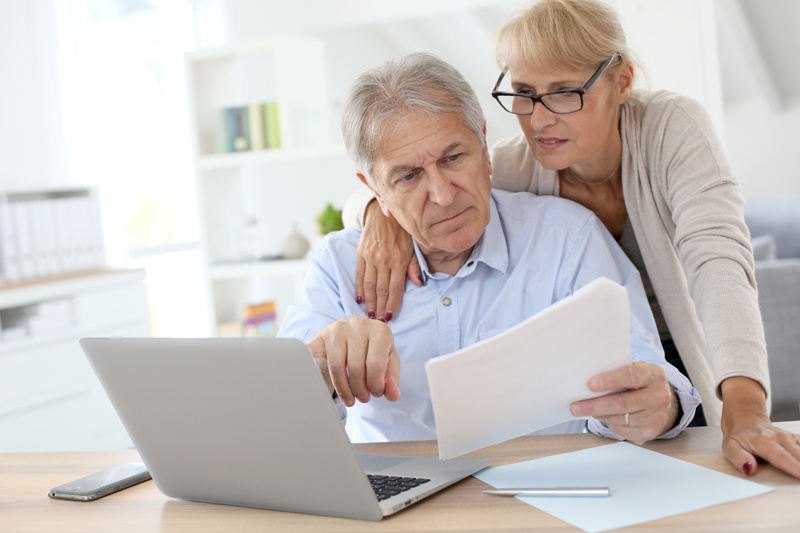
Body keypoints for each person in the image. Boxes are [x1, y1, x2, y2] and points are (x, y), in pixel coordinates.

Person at [343, 0, 800, 478]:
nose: (539, 121)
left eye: (563, 92)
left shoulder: (671, 128)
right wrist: (381, 215)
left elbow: (719, 264)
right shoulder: (518, 163)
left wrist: (746, 410)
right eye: (523, 92)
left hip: (680, 360)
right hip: (601, 368)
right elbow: (393, 187)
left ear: (621, 81)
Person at [278, 51, 699, 446]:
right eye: (408, 177)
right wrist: (322, 363)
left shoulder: (569, 240)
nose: (443, 195)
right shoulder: (336, 267)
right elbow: (281, 414)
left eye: (453, 157)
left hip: (547, 499)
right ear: (374, 191)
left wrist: (658, 407)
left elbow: (645, 368)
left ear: (483, 146)